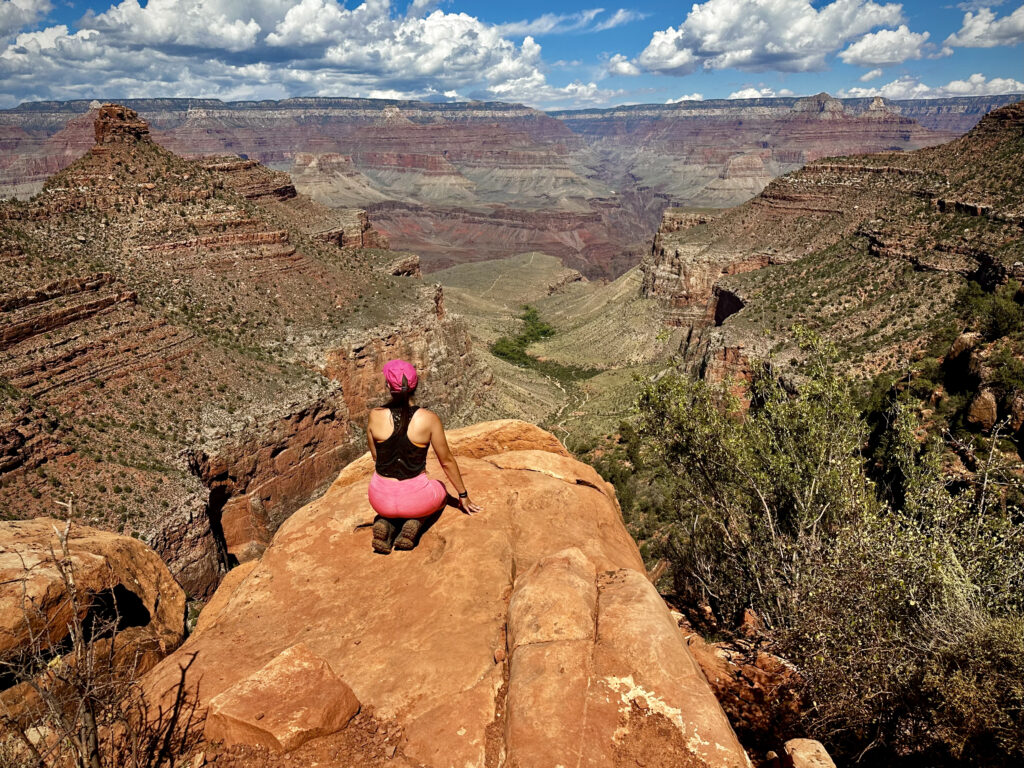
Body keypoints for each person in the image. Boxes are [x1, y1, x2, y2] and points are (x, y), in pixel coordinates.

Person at [366, 359, 481, 553]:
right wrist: (463, 496)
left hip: (379, 499)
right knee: (440, 489)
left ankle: (387, 522)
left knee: (393, 505)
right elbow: (446, 461)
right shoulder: (429, 419)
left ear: (388, 386)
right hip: (416, 500)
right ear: (415, 385)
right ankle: (418, 521)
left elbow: (376, 457)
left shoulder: (375, 415)